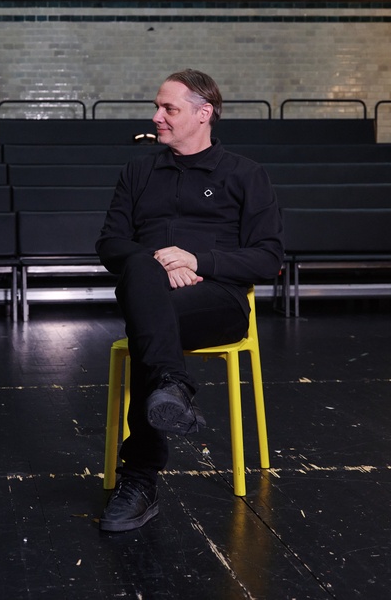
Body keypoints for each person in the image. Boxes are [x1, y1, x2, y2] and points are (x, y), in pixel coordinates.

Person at [95, 69, 283, 532]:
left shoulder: (245, 174)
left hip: (218, 301)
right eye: (157, 107)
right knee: (140, 274)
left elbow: (268, 259)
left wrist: (197, 259)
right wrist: (163, 263)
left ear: (204, 114)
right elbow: (109, 245)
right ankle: (173, 385)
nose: (156, 117)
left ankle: (138, 479)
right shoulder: (138, 171)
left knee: (147, 327)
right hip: (152, 292)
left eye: (168, 109)